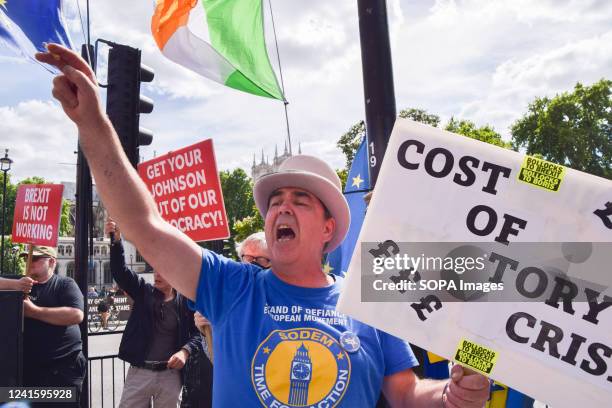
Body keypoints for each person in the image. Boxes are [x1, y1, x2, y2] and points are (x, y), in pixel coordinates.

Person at [37, 43, 490, 407]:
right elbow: (143, 223)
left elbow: (407, 395)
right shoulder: (233, 286)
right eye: (275, 201)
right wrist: (93, 122)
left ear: (329, 230)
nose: (282, 208)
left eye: (300, 200)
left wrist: (452, 395)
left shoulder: (368, 301)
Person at [105, 220, 203, 408]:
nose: (157, 274)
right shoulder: (143, 291)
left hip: (170, 376)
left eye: (163, 271)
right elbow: (120, 271)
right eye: (155, 269)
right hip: (139, 373)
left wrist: (185, 351)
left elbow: (198, 333)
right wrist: (116, 242)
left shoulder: (185, 301)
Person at [20, 245, 86, 407]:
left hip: (62, 371)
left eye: (35, 258)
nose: (29, 262)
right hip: (31, 371)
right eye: (26, 258)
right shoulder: (21, 285)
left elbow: (76, 315)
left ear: (52, 262)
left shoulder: (65, 284)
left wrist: (33, 311)